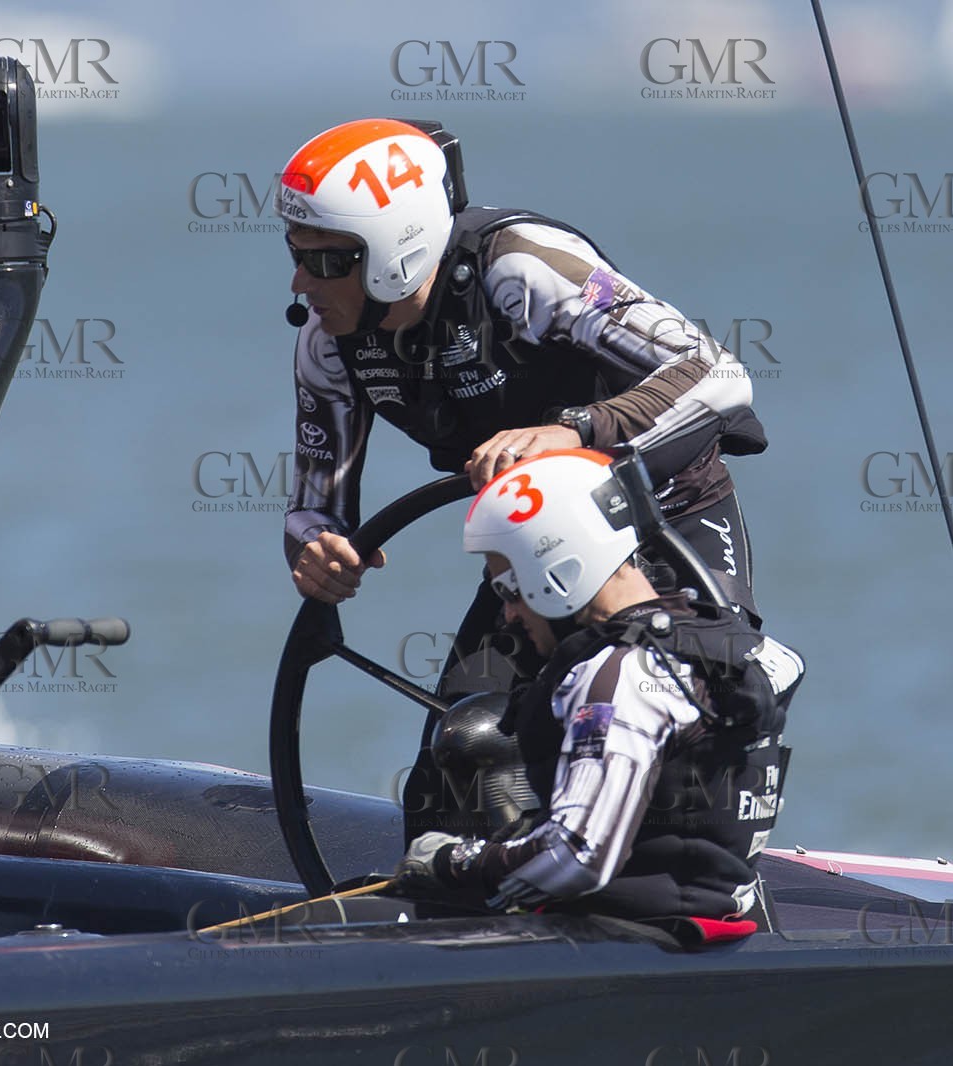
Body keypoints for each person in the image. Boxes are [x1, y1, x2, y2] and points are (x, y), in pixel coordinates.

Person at [277, 118, 768, 706]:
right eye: (295, 254)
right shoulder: (326, 342)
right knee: (461, 757)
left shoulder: (521, 270)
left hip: (668, 518)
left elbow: (719, 376)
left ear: (391, 252)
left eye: (326, 262)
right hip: (531, 554)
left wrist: (574, 432)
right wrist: (318, 549)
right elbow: (311, 510)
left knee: (696, 714)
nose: (300, 282)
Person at [394, 449, 803, 925]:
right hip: (707, 918)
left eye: (508, 590)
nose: (507, 614)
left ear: (560, 572)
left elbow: (579, 855)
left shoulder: (619, 676)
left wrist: (455, 862)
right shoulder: (737, 649)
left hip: (625, 941)